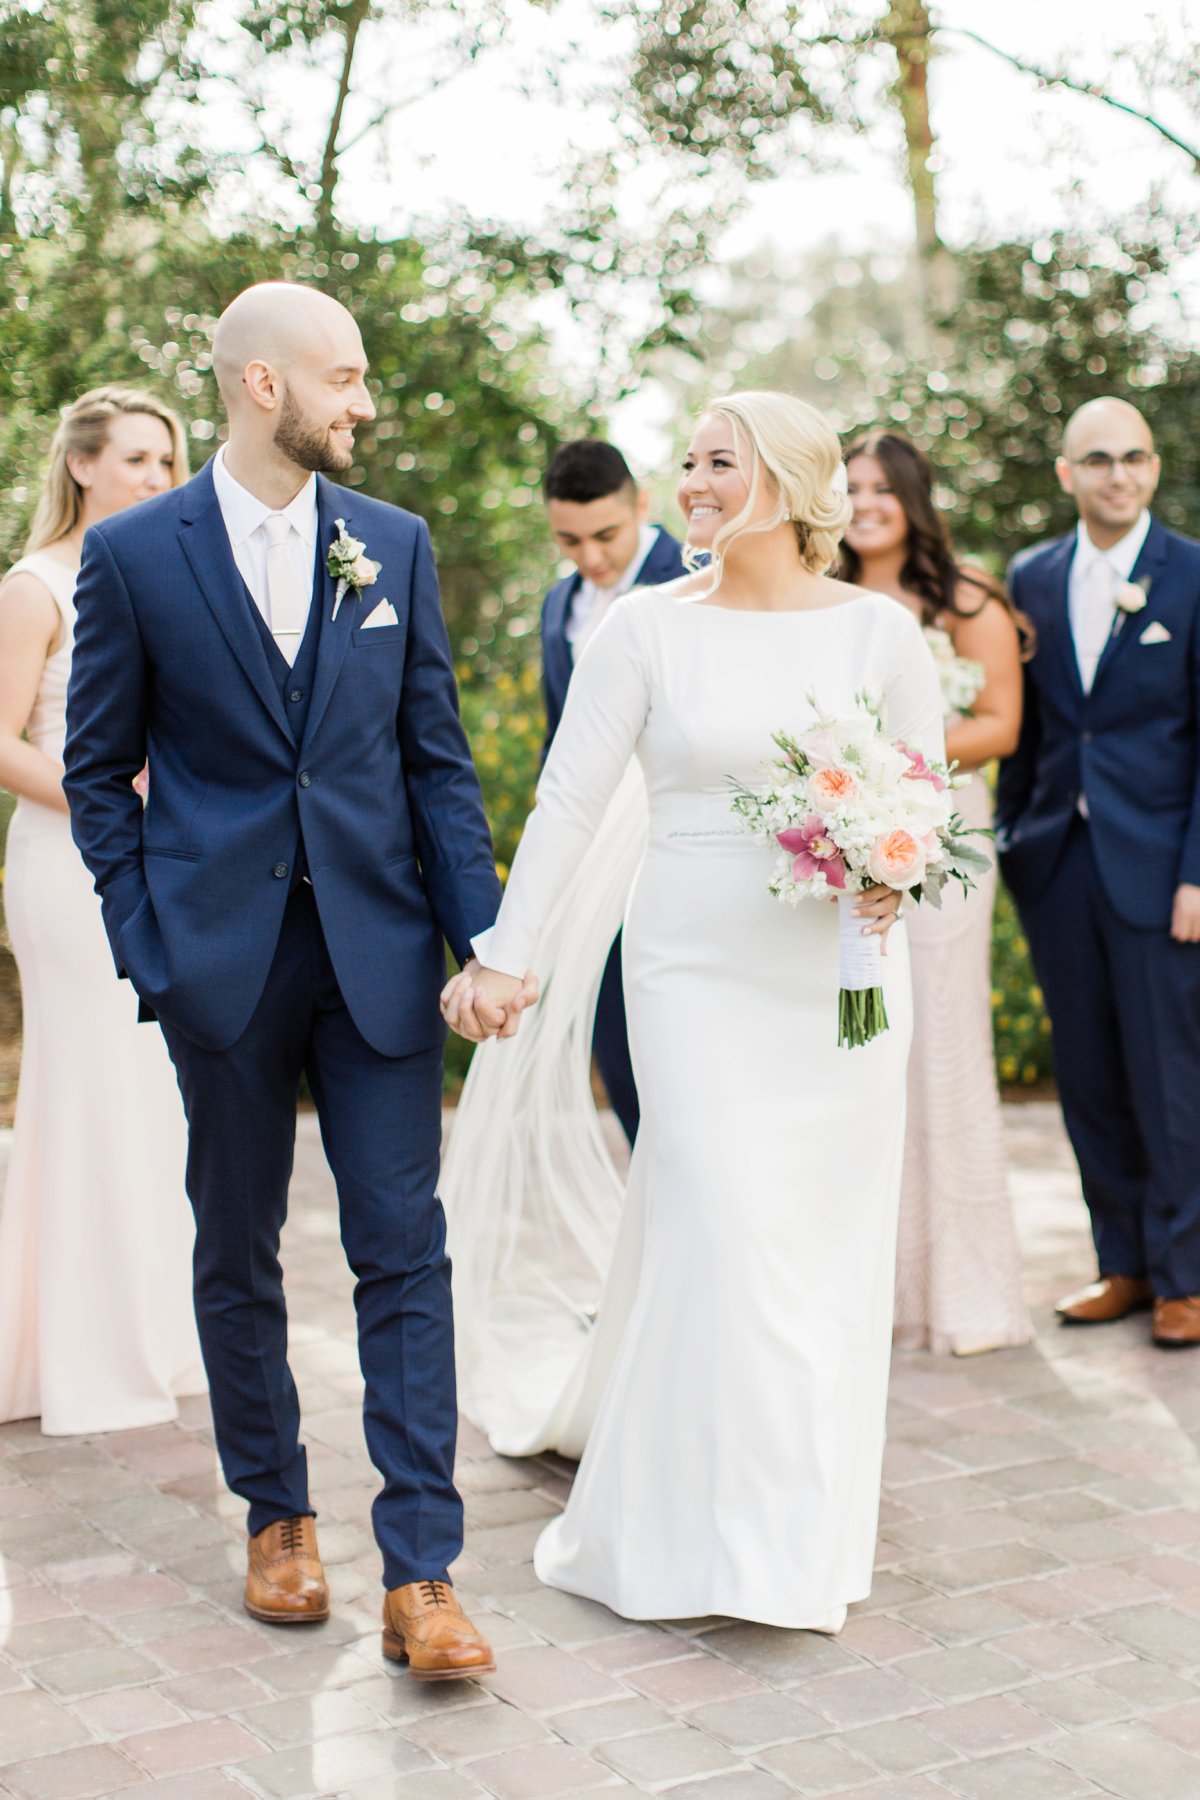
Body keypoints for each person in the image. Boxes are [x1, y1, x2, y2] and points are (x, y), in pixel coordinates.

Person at [64, 284, 528, 1678]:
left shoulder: (392, 544)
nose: (363, 404)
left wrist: (483, 941)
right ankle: (276, 1514)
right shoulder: (139, 555)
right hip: (221, 966)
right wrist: (151, 947)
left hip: (381, 958)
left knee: (405, 1253)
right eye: (343, 378)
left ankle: (426, 1571)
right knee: (237, 1245)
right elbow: (96, 774)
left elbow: (435, 761)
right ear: (260, 385)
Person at [442, 392, 944, 1631]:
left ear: (787, 478)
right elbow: (568, 801)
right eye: (690, 463)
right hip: (691, 968)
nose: (693, 483)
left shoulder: (878, 634)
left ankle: (791, 1538)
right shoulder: (649, 632)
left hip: (835, 977)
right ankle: (692, 1534)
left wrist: (892, 873)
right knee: (723, 1219)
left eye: (720, 462)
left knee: (813, 1246)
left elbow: (927, 806)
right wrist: (509, 957)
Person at [0, 386, 206, 1435]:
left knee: (145, 1091)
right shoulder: (35, 587)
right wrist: (108, 794)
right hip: (64, 865)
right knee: (84, 1087)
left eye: (168, 462)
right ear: (81, 465)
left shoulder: (159, 575)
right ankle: (80, 1355)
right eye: (136, 458)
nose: (157, 480)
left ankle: (153, 1336)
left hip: (155, 860)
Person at [997, 395, 1200, 1349]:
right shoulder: (1030, 577)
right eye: (1099, 459)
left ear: (1153, 469)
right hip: (1056, 863)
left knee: (1171, 1076)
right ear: (1067, 473)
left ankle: (1185, 1275)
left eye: (1135, 458)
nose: (1120, 474)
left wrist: (1199, 872)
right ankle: (1119, 1262)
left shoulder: (1192, 574)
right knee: (1086, 1074)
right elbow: (1032, 727)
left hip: (1162, 869)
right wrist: (1010, 840)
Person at [842, 430, 1032, 1356]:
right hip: (844, 844)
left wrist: (890, 748)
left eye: (883, 487)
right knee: (861, 1046)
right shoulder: (821, 596)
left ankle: (962, 1292)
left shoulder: (967, 600)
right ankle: (872, 1290)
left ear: (914, 497)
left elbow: (1000, 723)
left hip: (943, 840)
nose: (867, 502)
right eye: (852, 487)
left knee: (945, 1047)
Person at [540, 440, 686, 1144]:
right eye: (568, 540)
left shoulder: (701, 581)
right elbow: (558, 747)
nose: (590, 558)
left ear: (641, 506)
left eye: (606, 536)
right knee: (618, 1051)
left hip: (681, 856)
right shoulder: (557, 606)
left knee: (683, 1058)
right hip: (595, 866)